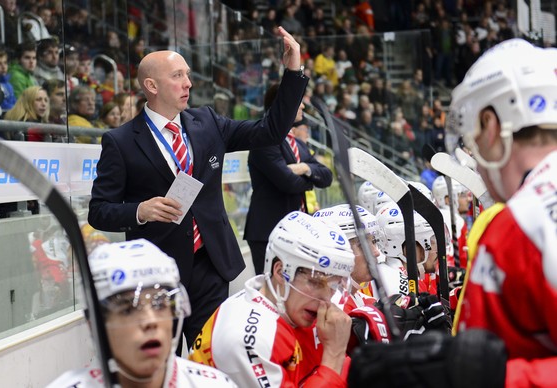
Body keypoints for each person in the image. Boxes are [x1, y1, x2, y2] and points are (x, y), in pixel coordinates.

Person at [350, 38, 557, 388]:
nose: (473, 158)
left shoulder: (521, 225)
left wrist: (484, 374)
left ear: (491, 126)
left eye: (472, 140)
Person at [88, 26, 308, 349]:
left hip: (211, 263)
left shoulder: (207, 122)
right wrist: (140, 210)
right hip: (158, 272)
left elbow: (270, 131)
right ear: (151, 85)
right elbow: (98, 211)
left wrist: (292, 72)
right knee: (169, 360)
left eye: (188, 75)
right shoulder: (120, 142)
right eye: (178, 76)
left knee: (212, 354)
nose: (188, 83)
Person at [189, 211, 354, 387]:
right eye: (315, 282)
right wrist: (334, 354)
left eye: (334, 286)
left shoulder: (281, 305)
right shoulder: (250, 339)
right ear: (281, 272)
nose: (326, 299)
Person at [47, 239, 238, 387]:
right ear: (95, 325)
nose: (150, 321)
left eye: (159, 304)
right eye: (128, 309)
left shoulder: (214, 384)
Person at [244, 84, 333, 275]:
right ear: (282, 104)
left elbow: (326, 176)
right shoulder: (264, 140)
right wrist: (310, 182)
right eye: (298, 103)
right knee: (272, 293)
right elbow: (287, 183)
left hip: (295, 231)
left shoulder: (296, 143)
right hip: (269, 231)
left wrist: (304, 168)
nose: (302, 107)